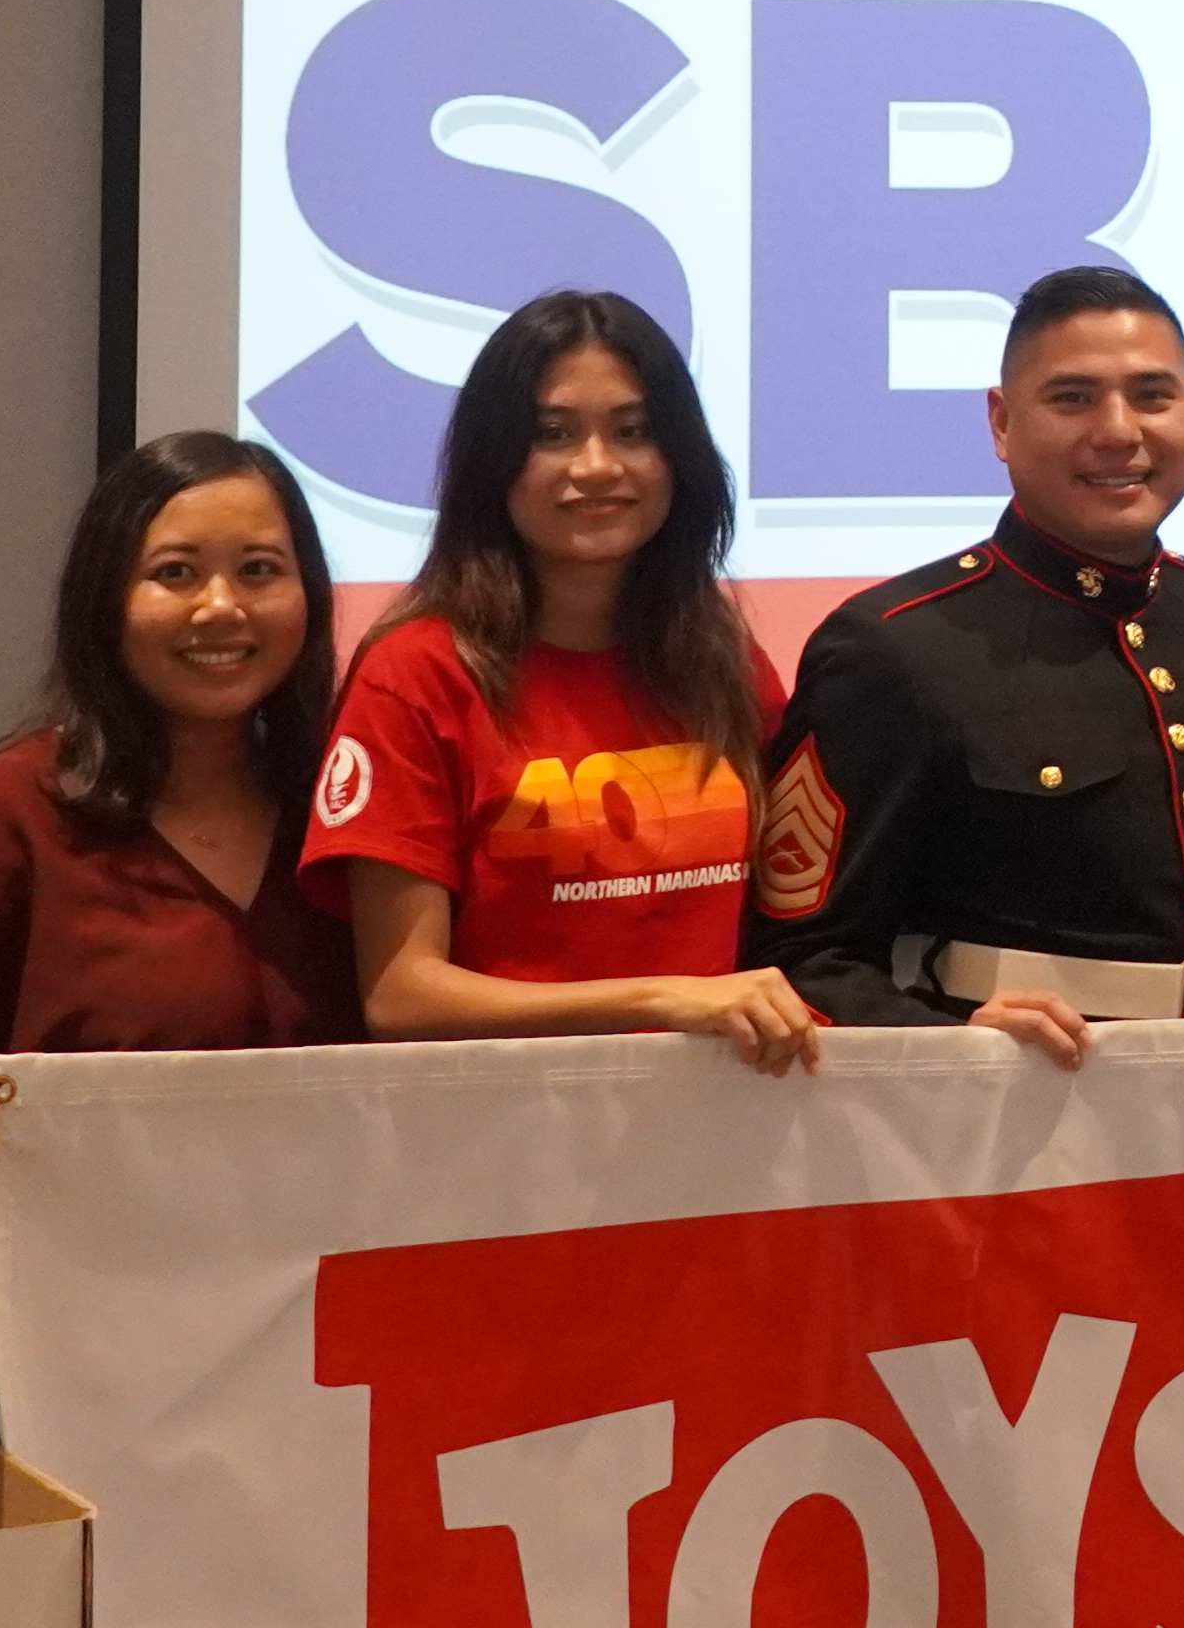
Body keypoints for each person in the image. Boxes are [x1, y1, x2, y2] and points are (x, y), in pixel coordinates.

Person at [0, 432, 361, 1434]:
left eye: (260, 570)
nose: (221, 608)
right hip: (50, 1353)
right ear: (103, 599)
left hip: (311, 1362)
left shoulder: (353, 809)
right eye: (174, 574)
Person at [775, 266, 1184, 1048]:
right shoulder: (895, 645)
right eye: (1073, 398)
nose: (1119, 430)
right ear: (1001, 422)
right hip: (1022, 1115)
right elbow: (804, 957)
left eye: (1153, 396)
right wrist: (950, 1045)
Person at [305, 291, 816, 1067]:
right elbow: (400, 996)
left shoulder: (721, 657)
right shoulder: (417, 674)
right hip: (507, 1146)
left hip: (714, 1136)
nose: (597, 467)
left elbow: (803, 915)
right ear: (495, 461)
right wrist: (662, 998)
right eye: (552, 435)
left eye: (635, 431)